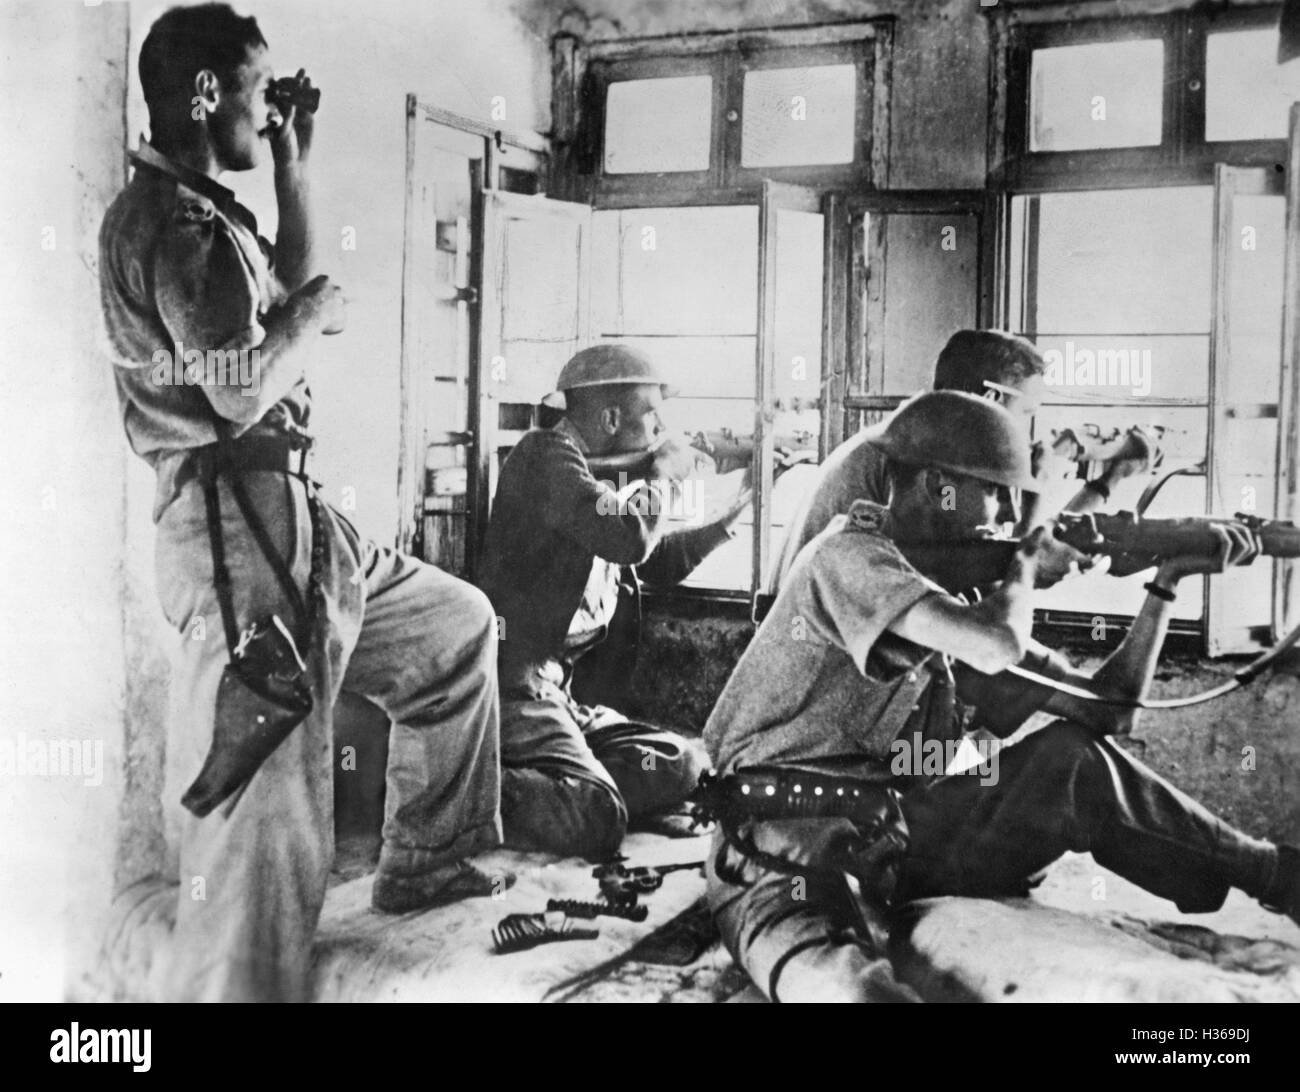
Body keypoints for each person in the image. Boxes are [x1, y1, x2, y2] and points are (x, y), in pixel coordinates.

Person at [98, 4, 507, 1002]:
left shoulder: (206, 208)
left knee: (456, 629)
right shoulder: (163, 219)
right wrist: (314, 318)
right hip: (236, 534)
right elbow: (239, 386)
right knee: (265, 829)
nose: (268, 100)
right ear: (204, 95)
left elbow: (284, 281)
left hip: (293, 518)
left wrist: (291, 165)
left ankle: (425, 854)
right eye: (255, 85)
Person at [703, 390, 1300, 1003]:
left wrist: (1166, 582)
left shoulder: (952, 606)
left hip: (895, 844)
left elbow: (1109, 711)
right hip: (781, 855)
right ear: (935, 483)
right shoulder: (845, 558)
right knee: (853, 995)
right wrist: (1025, 567)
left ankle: (1276, 874)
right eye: (994, 489)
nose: (1008, 509)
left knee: (1069, 758)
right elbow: (995, 646)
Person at [477, 344, 749, 861]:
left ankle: (562, 780)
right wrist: (662, 477)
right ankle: (471, 781)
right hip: (515, 692)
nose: (660, 430)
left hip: (560, 695)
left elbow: (656, 562)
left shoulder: (593, 477)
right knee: (594, 816)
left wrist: (734, 514)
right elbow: (628, 537)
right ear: (608, 417)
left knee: (683, 762)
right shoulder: (543, 456)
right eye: (652, 417)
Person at [766, 329, 1154, 598]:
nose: (1027, 431)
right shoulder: (917, 457)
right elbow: (995, 585)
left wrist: (1109, 481)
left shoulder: (916, 437)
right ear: (989, 398)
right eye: (1026, 412)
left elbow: (1012, 554)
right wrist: (1038, 487)